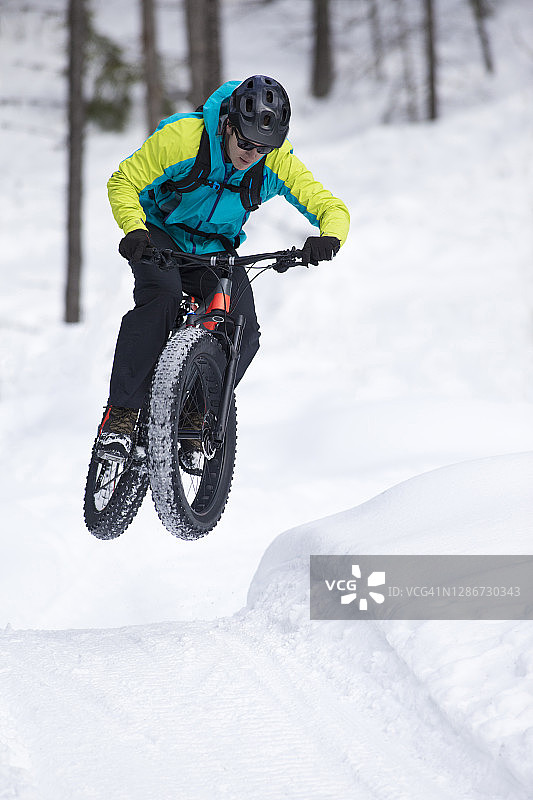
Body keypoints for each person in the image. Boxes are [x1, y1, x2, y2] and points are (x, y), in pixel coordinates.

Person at [97, 75, 350, 460]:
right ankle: (121, 416)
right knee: (161, 298)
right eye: (245, 142)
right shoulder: (184, 140)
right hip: (160, 235)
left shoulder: (275, 163)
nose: (251, 154)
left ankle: (195, 416)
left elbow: (330, 206)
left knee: (243, 332)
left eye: (263, 148)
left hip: (215, 249)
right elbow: (124, 180)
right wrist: (135, 230)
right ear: (228, 123)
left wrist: (328, 237)